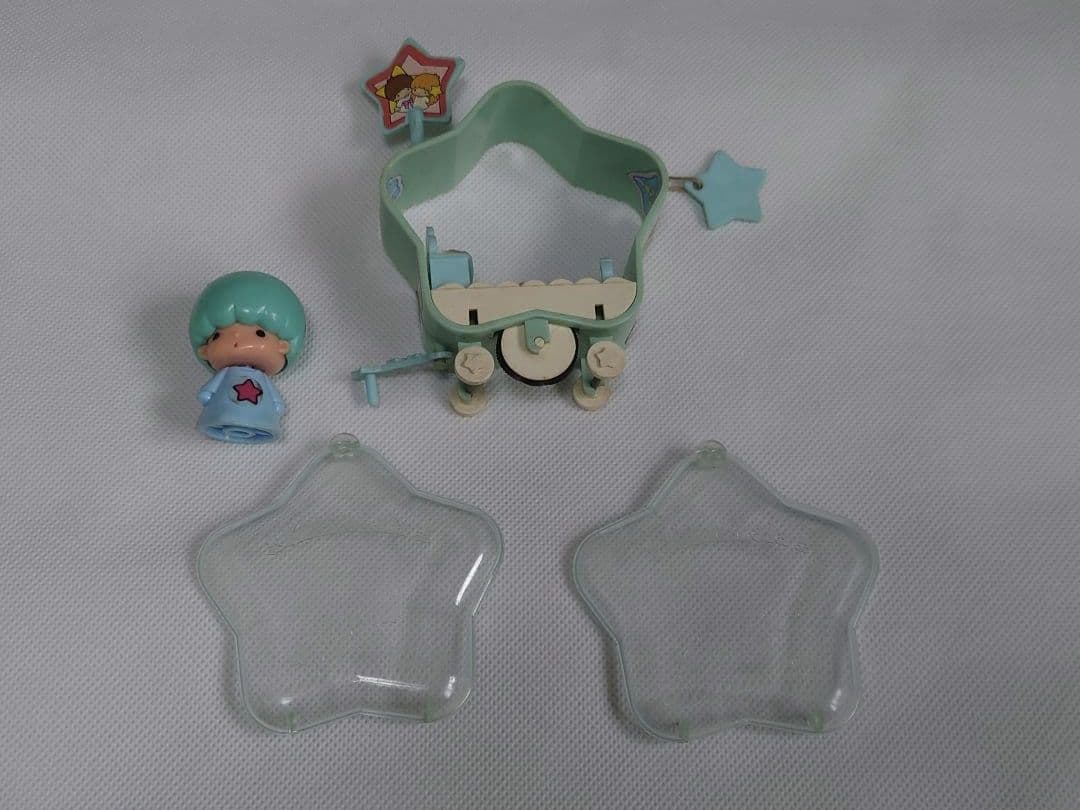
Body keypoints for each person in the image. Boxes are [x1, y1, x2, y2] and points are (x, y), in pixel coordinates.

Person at [189, 271, 306, 443]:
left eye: (260, 334)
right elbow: (206, 393)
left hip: (262, 421)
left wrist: (277, 406)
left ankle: (258, 424)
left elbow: (275, 400)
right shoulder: (227, 374)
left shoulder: (257, 377)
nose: (238, 343)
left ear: (283, 346)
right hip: (221, 416)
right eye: (218, 336)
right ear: (205, 350)